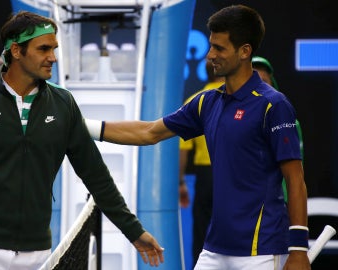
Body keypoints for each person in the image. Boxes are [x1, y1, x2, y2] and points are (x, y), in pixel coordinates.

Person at [94, 4, 311, 270]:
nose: (210, 55)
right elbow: (149, 132)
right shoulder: (205, 103)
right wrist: (84, 127)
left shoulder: (273, 106)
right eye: (211, 46)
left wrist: (299, 249)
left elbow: (295, 179)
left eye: (219, 48)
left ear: (244, 52)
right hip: (214, 249)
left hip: (261, 249)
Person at [0, 11, 164, 269]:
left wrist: (133, 231)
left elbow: (96, 176)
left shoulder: (63, 104)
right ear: (17, 51)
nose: (52, 57)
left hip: (37, 254)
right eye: (44, 49)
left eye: (54, 49)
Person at [179, 60, 224, 266]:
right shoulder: (238, 99)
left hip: (205, 178)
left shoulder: (194, 101)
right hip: (233, 175)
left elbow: (184, 150)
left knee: (201, 233)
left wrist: (181, 183)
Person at [252, 56, 304, 203]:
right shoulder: (236, 119)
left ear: (272, 85)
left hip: (276, 206)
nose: (259, 87)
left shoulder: (287, 121)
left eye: (264, 82)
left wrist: (287, 203)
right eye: (255, 81)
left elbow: (294, 173)